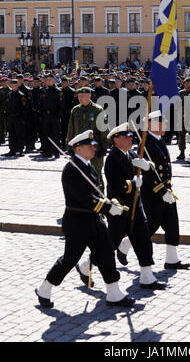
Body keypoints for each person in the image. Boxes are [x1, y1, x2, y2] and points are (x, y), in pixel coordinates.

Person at [35, 130, 135, 309]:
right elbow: (85, 198)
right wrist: (107, 208)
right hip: (77, 222)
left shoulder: (89, 166)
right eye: (90, 146)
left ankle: (113, 292)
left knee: (105, 253)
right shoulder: (71, 170)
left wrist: (109, 202)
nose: (94, 149)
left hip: (94, 221)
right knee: (70, 259)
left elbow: (97, 192)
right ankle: (44, 288)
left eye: (94, 146)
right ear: (78, 148)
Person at [78, 123, 166, 291]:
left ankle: (147, 276)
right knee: (110, 244)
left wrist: (147, 167)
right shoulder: (112, 159)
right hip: (120, 209)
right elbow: (117, 186)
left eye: (130, 136)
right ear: (116, 140)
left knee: (143, 241)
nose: (130, 139)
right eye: (126, 137)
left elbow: (148, 169)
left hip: (136, 207)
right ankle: (86, 264)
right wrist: (133, 183)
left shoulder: (132, 154)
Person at [118, 111, 190, 270]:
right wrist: (161, 191)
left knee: (172, 224)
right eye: (162, 122)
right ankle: (124, 245)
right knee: (150, 225)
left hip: (166, 189)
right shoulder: (146, 144)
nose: (165, 124)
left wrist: (167, 190)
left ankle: (172, 259)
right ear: (151, 125)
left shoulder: (158, 140)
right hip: (153, 193)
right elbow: (148, 174)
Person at [66, 87, 109, 190]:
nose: (80, 98)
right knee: (79, 174)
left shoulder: (98, 110)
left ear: (89, 96)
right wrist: (69, 146)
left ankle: (100, 196)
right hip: (79, 149)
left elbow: (104, 131)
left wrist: (103, 147)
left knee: (96, 173)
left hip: (94, 148)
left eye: (83, 96)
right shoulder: (75, 110)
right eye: (79, 96)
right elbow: (70, 129)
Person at [3, 79, 26, 157]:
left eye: (15, 85)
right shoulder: (9, 94)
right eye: (12, 85)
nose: (13, 86)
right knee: (11, 134)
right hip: (10, 117)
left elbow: (24, 108)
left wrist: (22, 118)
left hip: (18, 117)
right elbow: (7, 105)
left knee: (19, 134)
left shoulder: (21, 95)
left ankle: (20, 150)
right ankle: (12, 149)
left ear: (17, 85)